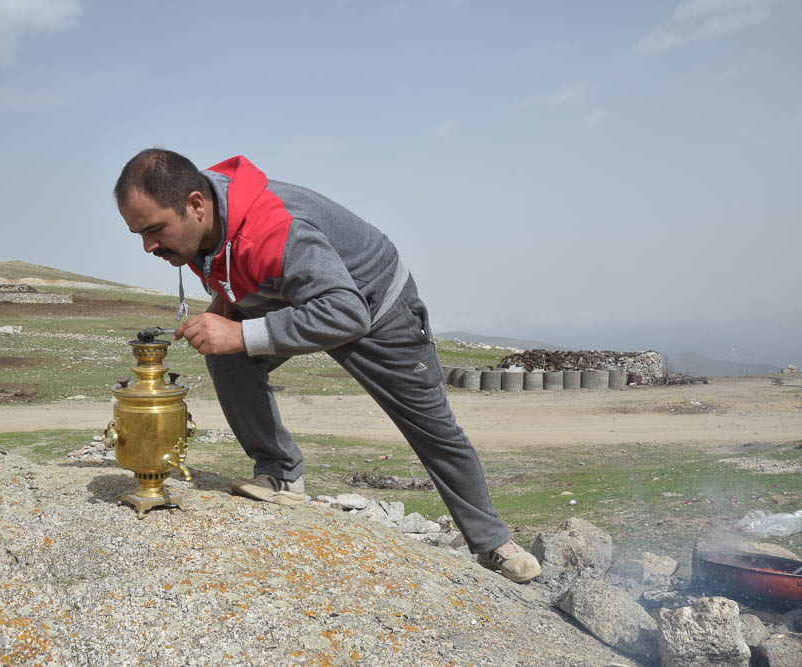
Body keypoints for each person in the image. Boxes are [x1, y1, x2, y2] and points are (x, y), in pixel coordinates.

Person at [114, 148, 541, 583]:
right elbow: (239, 267)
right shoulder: (204, 220)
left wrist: (240, 333)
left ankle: (492, 543)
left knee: (432, 427)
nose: (149, 246)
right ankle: (280, 475)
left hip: (372, 310)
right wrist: (226, 315)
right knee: (225, 352)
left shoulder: (275, 228)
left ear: (195, 205)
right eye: (139, 234)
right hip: (297, 296)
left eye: (155, 230)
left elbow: (345, 312)